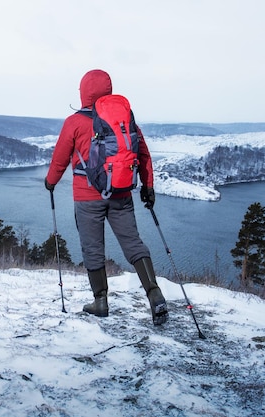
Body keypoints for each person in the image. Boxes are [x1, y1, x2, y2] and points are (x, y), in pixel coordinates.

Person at [44, 69, 168, 325]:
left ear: (83, 92)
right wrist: (148, 187)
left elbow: (59, 159)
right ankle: (154, 293)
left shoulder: (74, 122)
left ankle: (100, 301)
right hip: (121, 193)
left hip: (87, 198)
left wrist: (50, 182)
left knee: (93, 248)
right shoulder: (123, 120)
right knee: (133, 243)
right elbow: (143, 155)